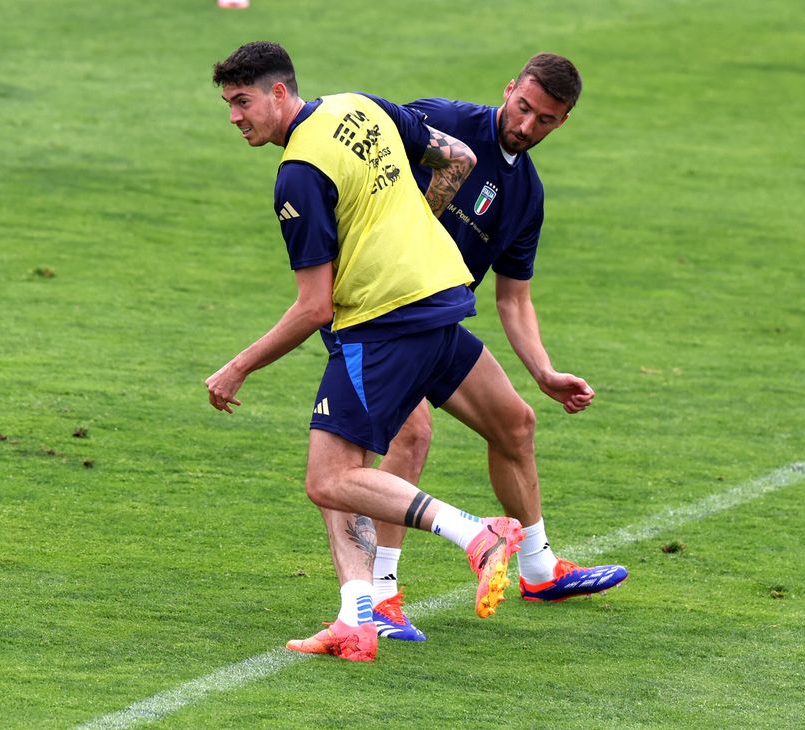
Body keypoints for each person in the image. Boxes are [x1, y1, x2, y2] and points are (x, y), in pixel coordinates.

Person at [205, 40, 528, 663]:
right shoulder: (361, 107)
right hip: (439, 294)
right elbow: (457, 157)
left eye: (243, 102)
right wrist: (407, 232)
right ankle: (357, 617)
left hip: (381, 323)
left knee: (328, 477)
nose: (234, 117)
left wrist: (237, 367)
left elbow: (313, 307)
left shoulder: (299, 174)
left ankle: (477, 533)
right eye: (227, 104)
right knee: (338, 471)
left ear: (279, 93)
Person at [366, 55, 628, 643]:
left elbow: (514, 299)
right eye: (523, 107)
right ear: (508, 90)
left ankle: (538, 569)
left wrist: (544, 370)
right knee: (412, 435)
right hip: (374, 310)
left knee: (516, 422)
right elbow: (364, 150)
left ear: (562, 123)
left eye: (545, 120)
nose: (527, 125)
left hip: (434, 322)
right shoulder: (443, 124)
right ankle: (380, 596)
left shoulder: (526, 196)